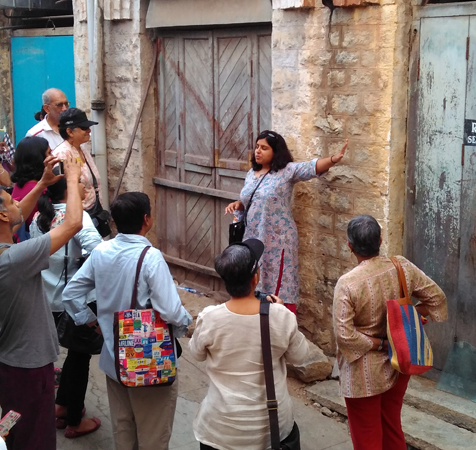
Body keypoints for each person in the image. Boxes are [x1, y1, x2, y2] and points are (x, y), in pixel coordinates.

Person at [0, 152, 82, 450]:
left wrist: (43, 181)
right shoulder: (17, 258)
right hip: (30, 367)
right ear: (2, 216)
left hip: (9, 363)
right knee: (37, 437)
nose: (17, 203)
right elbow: (72, 225)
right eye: (10, 203)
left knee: (13, 421)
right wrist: (71, 178)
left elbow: (15, 219)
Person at [62, 192, 193, 450]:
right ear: (147, 219)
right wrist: (184, 324)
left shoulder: (101, 251)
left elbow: (71, 293)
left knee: (124, 428)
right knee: (153, 434)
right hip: (149, 361)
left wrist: (91, 320)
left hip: (114, 357)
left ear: (114, 222)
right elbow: (169, 310)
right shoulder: (151, 257)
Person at [332, 215, 447, 450]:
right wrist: (408, 321)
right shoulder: (400, 266)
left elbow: (344, 336)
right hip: (399, 361)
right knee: (391, 424)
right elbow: (437, 298)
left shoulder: (348, 283)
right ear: (380, 240)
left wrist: (379, 344)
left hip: (363, 371)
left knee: (367, 437)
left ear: (350, 246)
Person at [188, 239, 308, 449]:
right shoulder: (280, 316)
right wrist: (281, 311)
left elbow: (196, 353)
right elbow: (300, 356)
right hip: (272, 429)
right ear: (255, 278)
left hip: (221, 428)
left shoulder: (210, 318)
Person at [225, 130, 348, 313]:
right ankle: (257, 320)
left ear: (276, 151)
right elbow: (250, 199)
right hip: (253, 238)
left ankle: (281, 325)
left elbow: (311, 167)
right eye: (257, 147)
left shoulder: (287, 171)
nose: (258, 151)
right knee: (254, 278)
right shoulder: (252, 173)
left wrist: (333, 159)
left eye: (264, 148)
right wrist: (238, 205)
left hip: (278, 240)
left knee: (279, 282)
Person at [30, 177, 102, 438]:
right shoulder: (77, 217)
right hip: (75, 298)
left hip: (48, 297)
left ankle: (61, 406)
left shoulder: (41, 216)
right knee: (79, 358)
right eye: (81, 183)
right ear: (70, 191)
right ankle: (74, 420)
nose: (86, 187)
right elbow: (99, 251)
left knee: (72, 357)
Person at [52, 108, 103, 212]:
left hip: (94, 209)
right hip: (79, 214)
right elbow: (63, 191)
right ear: (70, 132)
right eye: (84, 128)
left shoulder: (82, 148)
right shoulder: (62, 155)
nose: (89, 130)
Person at [10, 136, 49, 242]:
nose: (53, 156)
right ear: (39, 159)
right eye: (49, 153)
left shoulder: (21, 184)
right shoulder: (36, 190)